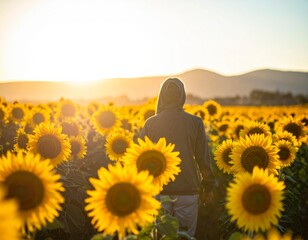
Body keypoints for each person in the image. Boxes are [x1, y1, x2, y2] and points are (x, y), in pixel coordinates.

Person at [140, 77, 215, 238]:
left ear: (162, 96)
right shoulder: (195, 122)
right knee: (184, 236)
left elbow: (140, 160)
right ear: (182, 96)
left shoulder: (150, 124)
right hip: (187, 191)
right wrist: (208, 187)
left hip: (159, 191)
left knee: (161, 236)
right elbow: (203, 159)